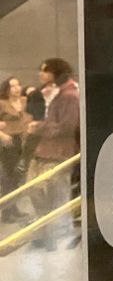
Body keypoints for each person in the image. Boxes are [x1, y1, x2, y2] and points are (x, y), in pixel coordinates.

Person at [26, 58, 80, 249]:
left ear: (56, 72)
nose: (41, 75)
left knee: (54, 194)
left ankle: (53, 235)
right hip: (45, 149)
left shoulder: (70, 96)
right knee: (35, 189)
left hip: (58, 152)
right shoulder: (54, 93)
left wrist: (40, 128)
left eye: (45, 71)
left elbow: (67, 126)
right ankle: (45, 231)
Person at [0, 77, 31, 222]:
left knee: (19, 176)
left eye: (18, 84)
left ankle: (13, 208)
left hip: (24, 141)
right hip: (8, 142)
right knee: (9, 177)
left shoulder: (24, 101)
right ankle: (8, 211)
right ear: (7, 89)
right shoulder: (2, 103)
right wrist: (2, 134)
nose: (16, 88)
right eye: (12, 86)